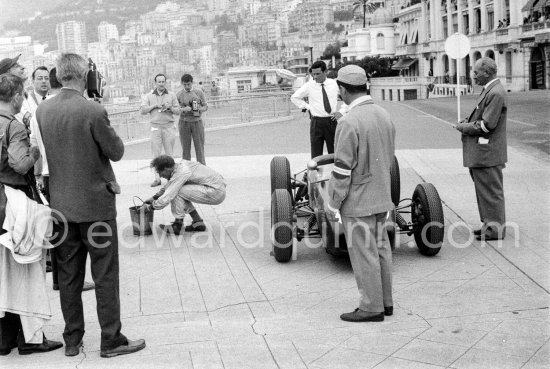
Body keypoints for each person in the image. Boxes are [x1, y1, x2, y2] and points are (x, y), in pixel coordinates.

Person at [36, 53, 145, 358]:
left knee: (69, 277)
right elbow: (116, 151)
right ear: (85, 76)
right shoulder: (93, 110)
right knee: (104, 274)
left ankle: (72, 339)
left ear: (59, 75)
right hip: (96, 208)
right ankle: (111, 338)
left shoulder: (43, 110)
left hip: (62, 207)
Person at [325, 65, 395, 323]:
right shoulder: (383, 114)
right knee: (381, 251)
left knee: (364, 254)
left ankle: (371, 307)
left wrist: (332, 203)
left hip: (358, 201)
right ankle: (385, 302)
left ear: (343, 90)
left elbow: (342, 170)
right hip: (381, 195)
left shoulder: (348, 122)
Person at [0, 73, 63, 356]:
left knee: (4, 273)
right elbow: (20, 163)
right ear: (14, 97)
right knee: (27, 269)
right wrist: (35, 152)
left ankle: (5, 339)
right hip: (14, 205)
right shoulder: (13, 126)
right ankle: (31, 338)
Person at [29, 68, 95, 292]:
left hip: (50, 174)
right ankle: (68, 280)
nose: (44, 82)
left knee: (58, 231)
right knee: (68, 232)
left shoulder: (42, 109)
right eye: (39, 78)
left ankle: (61, 279)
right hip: (57, 174)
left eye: (47, 78)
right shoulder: (50, 109)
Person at [455, 57, 507, 241]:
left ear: (487, 73)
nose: (473, 76)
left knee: (490, 192)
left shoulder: (495, 93)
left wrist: (464, 127)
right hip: (485, 153)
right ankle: (488, 225)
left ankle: (494, 230)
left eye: (476, 72)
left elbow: (487, 125)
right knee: (484, 191)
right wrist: (468, 123)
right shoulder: (491, 90)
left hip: (488, 154)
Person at [142, 155, 226, 234]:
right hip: (215, 188)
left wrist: (150, 208)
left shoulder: (182, 172)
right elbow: (170, 185)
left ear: (167, 168)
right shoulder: (178, 167)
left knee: (177, 191)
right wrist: (154, 198)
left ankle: (177, 226)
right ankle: (198, 224)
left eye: (160, 172)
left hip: (215, 191)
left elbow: (169, 195)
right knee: (178, 189)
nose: (160, 176)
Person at [291, 60, 341, 158]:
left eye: (318, 74)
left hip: (331, 121)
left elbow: (348, 97)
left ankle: (335, 171)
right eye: (313, 74)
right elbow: (294, 97)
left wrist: (342, 111)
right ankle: (316, 172)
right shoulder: (309, 86)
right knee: (316, 153)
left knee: (335, 152)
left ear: (325, 72)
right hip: (316, 122)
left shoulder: (334, 84)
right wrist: (308, 107)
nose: (315, 77)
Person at [140, 73, 181, 187]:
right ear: (155, 83)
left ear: (165, 82)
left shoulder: (172, 95)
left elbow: (178, 111)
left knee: (169, 154)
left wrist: (170, 108)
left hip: (168, 126)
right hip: (155, 127)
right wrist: (154, 106)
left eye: (163, 81)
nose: (161, 84)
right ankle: (157, 178)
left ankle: (171, 178)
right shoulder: (148, 96)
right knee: (156, 153)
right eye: (159, 81)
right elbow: (143, 110)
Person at [176, 74, 208, 165]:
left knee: (200, 148)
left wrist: (199, 109)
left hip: (197, 122)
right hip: (184, 122)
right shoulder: (178, 94)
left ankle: (202, 170)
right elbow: (175, 110)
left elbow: (205, 106)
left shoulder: (199, 92)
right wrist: (183, 109)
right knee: (185, 149)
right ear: (182, 84)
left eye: (188, 84)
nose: (187, 87)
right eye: (185, 85)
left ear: (192, 82)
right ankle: (186, 171)